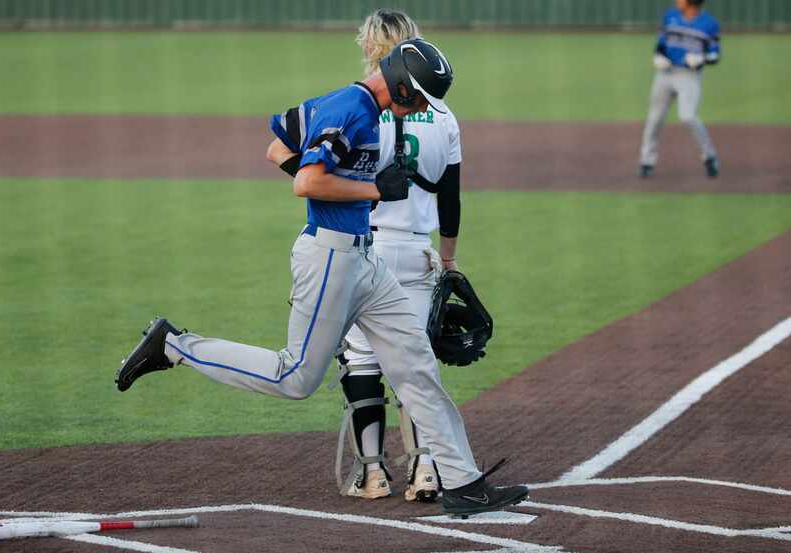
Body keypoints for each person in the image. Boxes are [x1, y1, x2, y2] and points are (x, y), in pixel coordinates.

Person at [115, 37, 529, 517]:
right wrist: (374, 189)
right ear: (398, 82)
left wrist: (358, 192)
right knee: (294, 377)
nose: (419, 108)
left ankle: (463, 483)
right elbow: (305, 182)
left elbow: (283, 142)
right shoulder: (351, 110)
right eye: (416, 97)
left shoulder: (352, 106)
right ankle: (173, 346)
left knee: (416, 366)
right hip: (328, 259)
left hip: (365, 261)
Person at [319, 9, 465, 504]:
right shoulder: (443, 114)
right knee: (414, 362)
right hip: (417, 255)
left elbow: (325, 177)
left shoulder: (358, 107)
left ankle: (372, 473)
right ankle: (426, 468)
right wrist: (449, 262)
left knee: (361, 358)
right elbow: (451, 199)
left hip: (364, 248)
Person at [638, 0, 721, 179]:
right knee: (655, 119)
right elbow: (660, 44)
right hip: (665, 74)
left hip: (689, 76)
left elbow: (715, 55)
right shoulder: (670, 16)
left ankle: (709, 156)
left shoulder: (709, 24)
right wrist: (658, 56)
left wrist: (702, 59)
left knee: (687, 116)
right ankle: (646, 162)